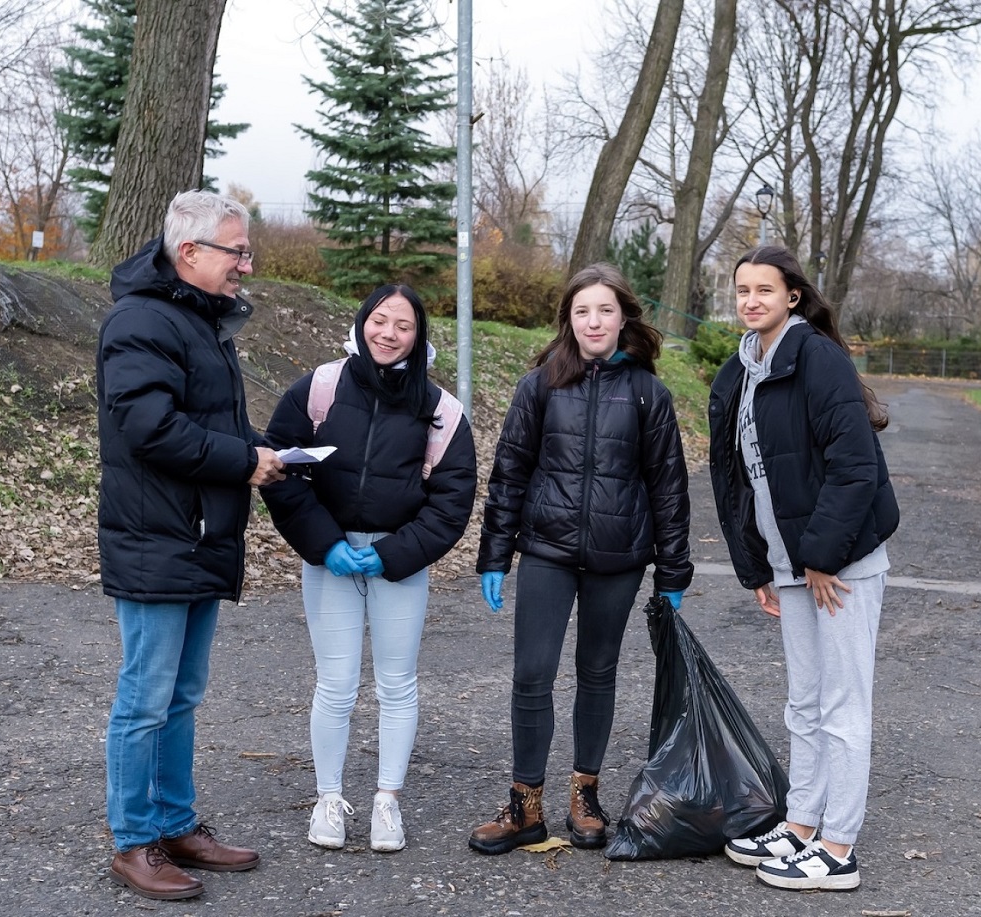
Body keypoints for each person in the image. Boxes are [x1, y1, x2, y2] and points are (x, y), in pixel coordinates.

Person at [97, 190, 286, 900]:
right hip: (156, 539)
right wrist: (244, 462)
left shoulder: (198, 321)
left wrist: (272, 451)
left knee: (180, 695)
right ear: (190, 253)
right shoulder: (141, 320)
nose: (247, 262)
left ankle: (175, 822)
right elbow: (152, 429)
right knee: (144, 699)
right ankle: (134, 839)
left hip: (199, 537)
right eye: (236, 250)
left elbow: (211, 422)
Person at [469, 263, 693, 855]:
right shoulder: (539, 385)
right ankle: (525, 805)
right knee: (532, 673)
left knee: (598, 671)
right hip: (546, 551)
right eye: (582, 311)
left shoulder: (649, 393)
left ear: (624, 317)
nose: (594, 321)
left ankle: (585, 795)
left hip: (618, 558)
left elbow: (669, 489)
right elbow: (509, 474)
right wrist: (495, 554)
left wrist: (673, 571)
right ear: (568, 320)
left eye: (605, 310)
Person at [708, 245, 899, 892]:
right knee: (805, 704)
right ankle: (801, 825)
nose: (751, 300)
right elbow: (743, 480)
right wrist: (760, 564)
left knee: (843, 706)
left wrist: (821, 556)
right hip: (792, 566)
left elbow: (855, 466)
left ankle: (838, 846)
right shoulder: (742, 368)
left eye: (765, 289)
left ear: (793, 296)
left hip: (841, 564)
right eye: (742, 290)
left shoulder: (816, 357)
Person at [261, 284, 476, 853]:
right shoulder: (321, 387)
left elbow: (453, 501)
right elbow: (280, 466)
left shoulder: (440, 410)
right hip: (330, 559)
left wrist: (392, 553)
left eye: (402, 326)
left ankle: (387, 802)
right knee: (335, 685)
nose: (388, 333)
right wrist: (324, 542)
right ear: (361, 323)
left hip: (397, 563)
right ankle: (328, 799)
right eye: (379, 320)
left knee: (397, 684)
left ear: (418, 336)